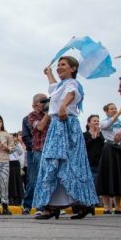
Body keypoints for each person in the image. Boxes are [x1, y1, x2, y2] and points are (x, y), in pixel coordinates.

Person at [32, 56, 99, 220]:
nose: (59, 67)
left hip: (66, 125)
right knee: (53, 163)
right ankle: (53, 204)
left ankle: (81, 203)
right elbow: (54, 88)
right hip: (56, 125)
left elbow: (71, 93)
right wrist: (48, 73)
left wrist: (63, 106)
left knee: (69, 164)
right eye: (58, 65)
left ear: (73, 69)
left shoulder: (72, 83)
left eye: (63, 65)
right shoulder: (60, 85)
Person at [96, 103, 121, 214]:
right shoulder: (103, 122)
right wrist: (118, 113)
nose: (114, 110)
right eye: (111, 109)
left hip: (120, 149)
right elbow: (107, 125)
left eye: (115, 108)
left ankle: (118, 207)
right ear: (106, 111)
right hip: (109, 149)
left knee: (119, 177)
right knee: (107, 177)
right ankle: (107, 207)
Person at [21, 94, 51, 214]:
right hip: (34, 151)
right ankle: (28, 205)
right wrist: (33, 148)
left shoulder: (52, 116)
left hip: (49, 151)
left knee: (47, 178)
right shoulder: (29, 117)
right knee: (33, 180)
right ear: (34, 105)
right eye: (42, 101)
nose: (45, 103)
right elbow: (27, 136)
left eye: (46, 101)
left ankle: (46, 205)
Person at [83, 114, 104, 192]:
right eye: (94, 121)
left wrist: (98, 134)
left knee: (98, 183)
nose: (96, 122)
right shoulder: (84, 135)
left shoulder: (101, 134)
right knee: (90, 183)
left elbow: (103, 145)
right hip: (88, 163)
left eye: (97, 121)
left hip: (99, 163)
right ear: (89, 123)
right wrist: (92, 138)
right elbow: (83, 147)